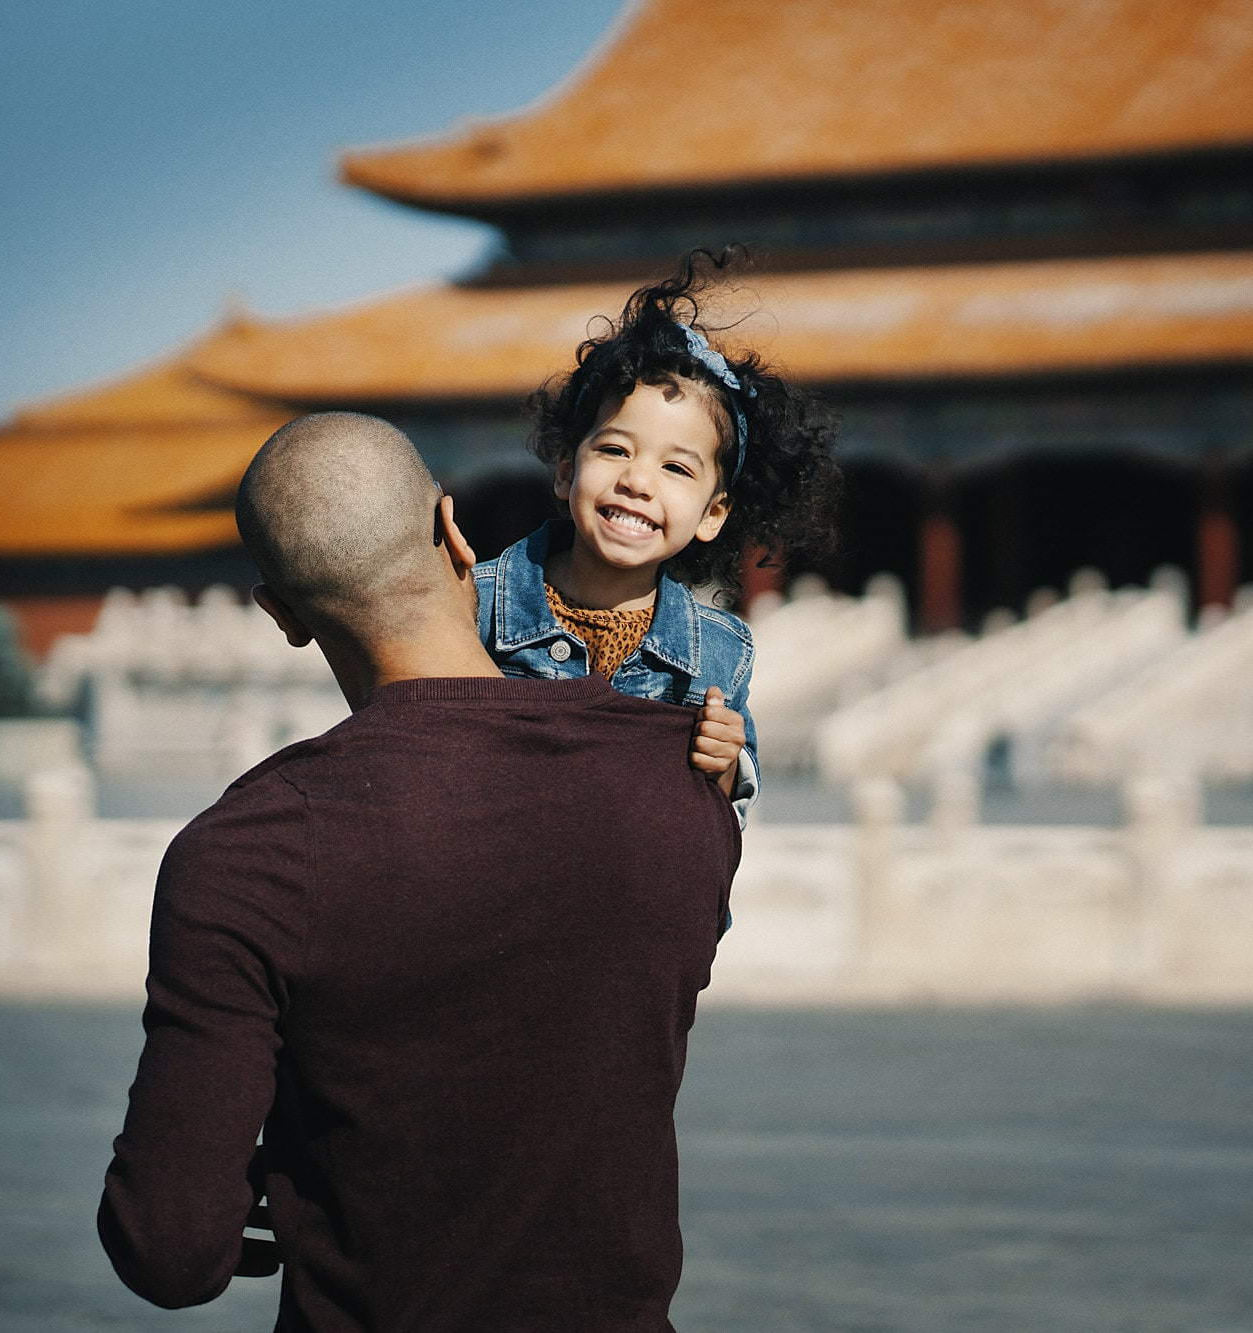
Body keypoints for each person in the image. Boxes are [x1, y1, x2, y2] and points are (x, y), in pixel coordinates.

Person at [98, 412, 741, 1331]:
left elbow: (169, 1248)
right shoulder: (677, 784)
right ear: (453, 532)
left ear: (279, 613)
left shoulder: (242, 855)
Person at [474, 246, 841, 849]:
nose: (638, 482)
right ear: (566, 472)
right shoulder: (474, 604)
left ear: (712, 514)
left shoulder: (720, 651)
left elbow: (719, 823)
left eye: (677, 467)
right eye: (615, 450)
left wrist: (722, 764)